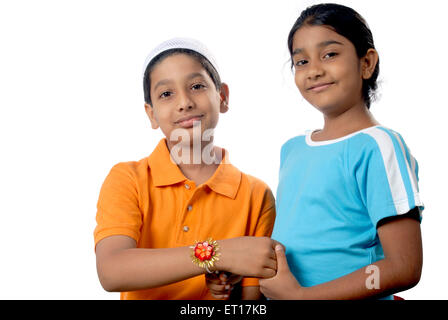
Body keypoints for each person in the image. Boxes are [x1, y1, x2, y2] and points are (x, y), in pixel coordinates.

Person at [259, 3, 424, 300]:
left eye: (330, 54)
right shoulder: (292, 149)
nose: (314, 71)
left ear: (366, 63)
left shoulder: (379, 146)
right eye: (301, 62)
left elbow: (404, 267)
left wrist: (303, 297)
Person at [94, 38, 277, 300]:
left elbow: (252, 297)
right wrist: (216, 254)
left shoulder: (256, 194)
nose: (184, 102)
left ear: (223, 97)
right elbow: (111, 271)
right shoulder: (128, 179)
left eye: (197, 86)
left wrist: (228, 284)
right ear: (152, 114)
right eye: (166, 94)